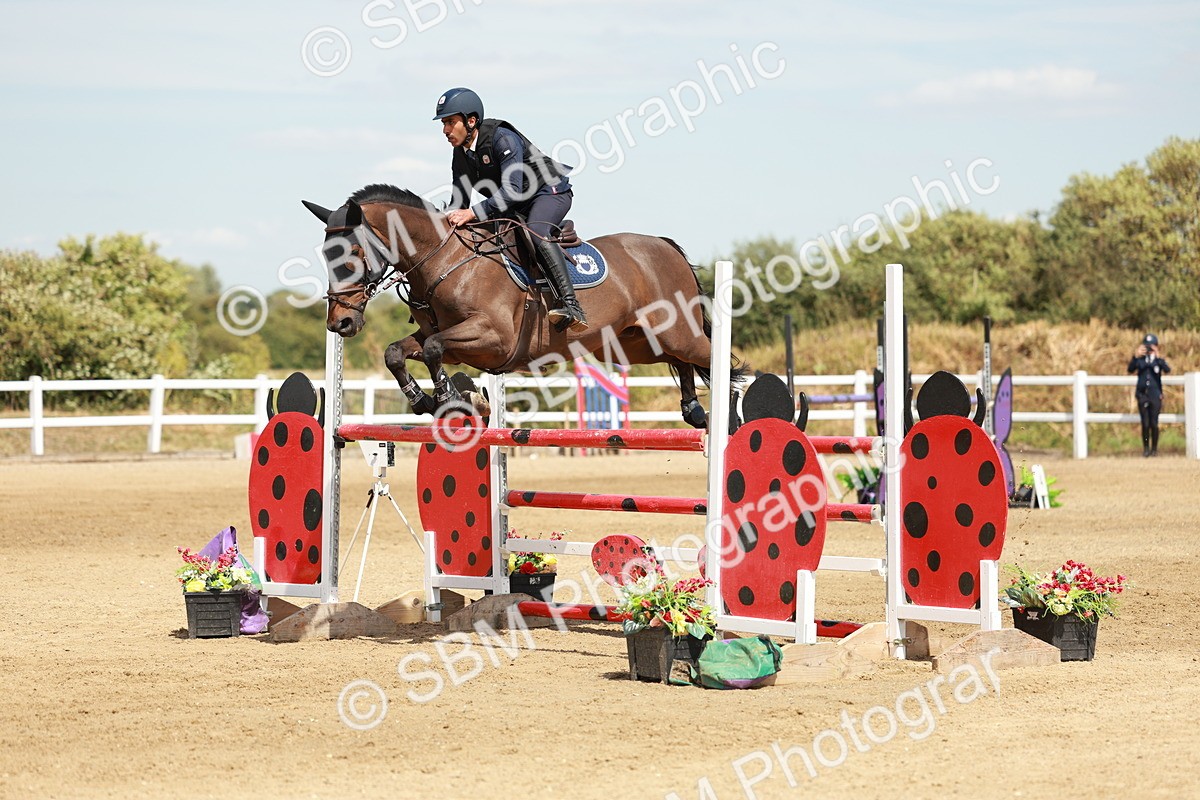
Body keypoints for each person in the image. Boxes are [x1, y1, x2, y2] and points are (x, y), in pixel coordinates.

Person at [433, 87, 587, 332]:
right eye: (443, 123)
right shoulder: (460, 154)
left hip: (548, 191)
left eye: (451, 122)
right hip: (515, 204)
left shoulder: (502, 138)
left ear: (471, 121)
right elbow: (459, 204)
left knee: (536, 230)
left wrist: (471, 213)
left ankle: (571, 305)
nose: (445, 130)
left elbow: (511, 192)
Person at [1127, 333, 1171, 457]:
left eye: (1151, 346)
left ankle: (1154, 449)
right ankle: (1146, 448)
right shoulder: (1139, 360)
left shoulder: (1158, 361)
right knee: (1145, 424)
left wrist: (1158, 357)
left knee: (1154, 423)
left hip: (1155, 395)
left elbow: (1167, 370)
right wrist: (1135, 356)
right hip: (1142, 394)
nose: (1149, 349)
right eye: (1147, 346)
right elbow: (1130, 369)